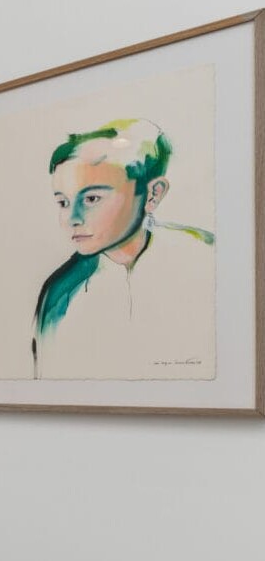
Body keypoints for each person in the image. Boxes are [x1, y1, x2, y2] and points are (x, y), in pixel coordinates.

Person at [32, 118, 214, 380]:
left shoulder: (206, 257)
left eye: (92, 198)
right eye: (62, 202)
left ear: (152, 195)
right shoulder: (60, 291)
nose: (72, 217)